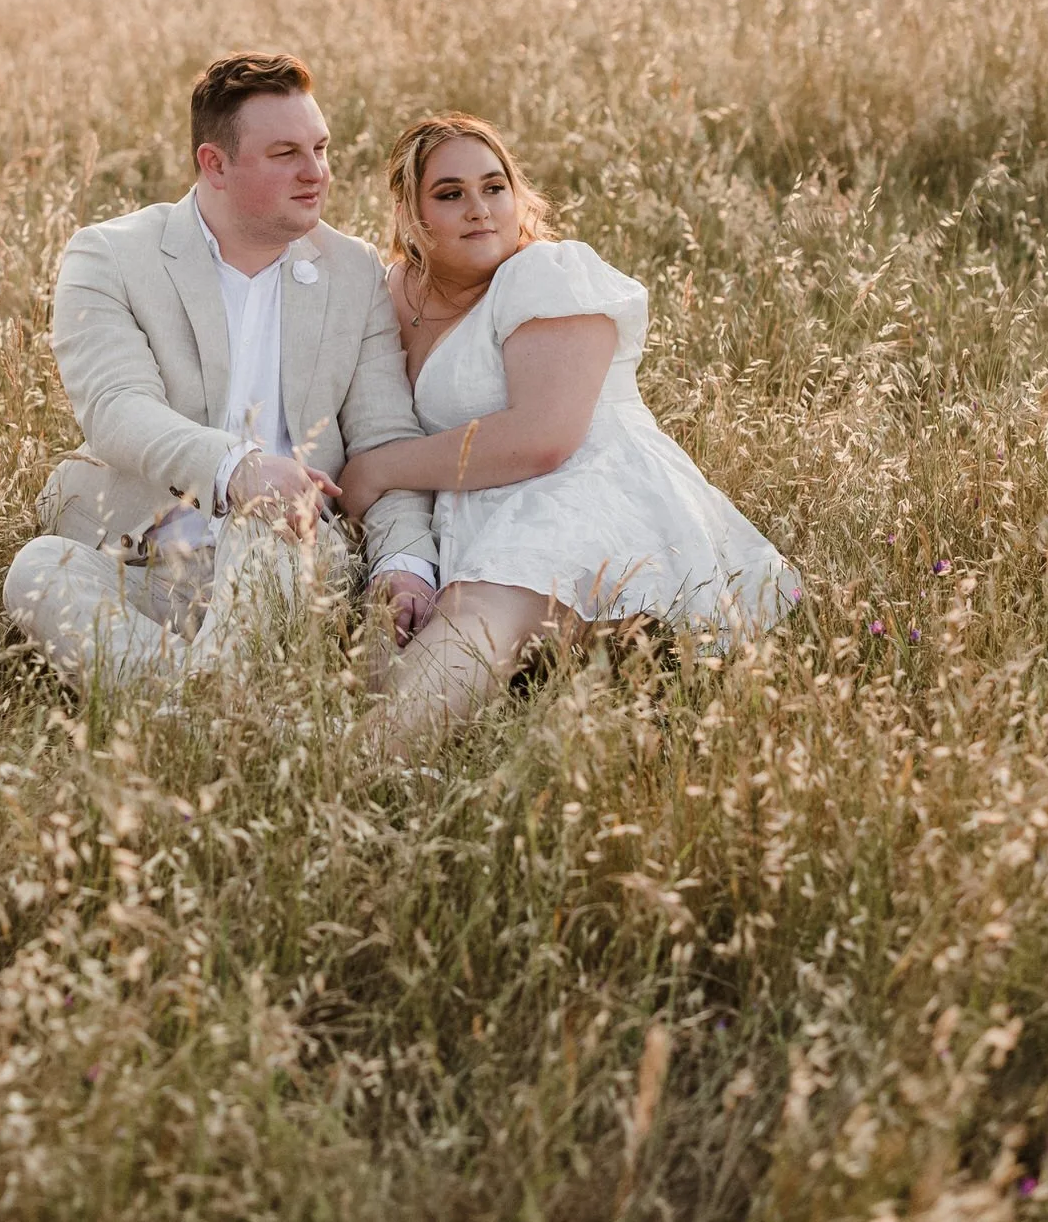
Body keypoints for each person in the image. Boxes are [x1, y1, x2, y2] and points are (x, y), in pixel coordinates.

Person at [339, 113, 799, 747]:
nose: (479, 209)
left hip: (583, 490)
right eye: (450, 194)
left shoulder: (547, 273)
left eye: (494, 187)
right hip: (470, 507)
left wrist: (380, 469)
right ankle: (364, 773)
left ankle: (354, 774)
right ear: (410, 213)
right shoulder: (391, 293)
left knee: (476, 620)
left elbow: (543, 437)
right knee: (384, 640)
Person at [3, 52, 437, 690]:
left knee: (266, 520)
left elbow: (386, 442)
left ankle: (195, 717)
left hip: (293, 560)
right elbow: (117, 408)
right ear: (216, 164)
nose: (316, 173)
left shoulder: (353, 271)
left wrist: (405, 561)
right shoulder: (111, 256)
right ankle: (222, 707)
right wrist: (236, 467)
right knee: (36, 570)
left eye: (321, 148)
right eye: (285, 153)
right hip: (140, 561)